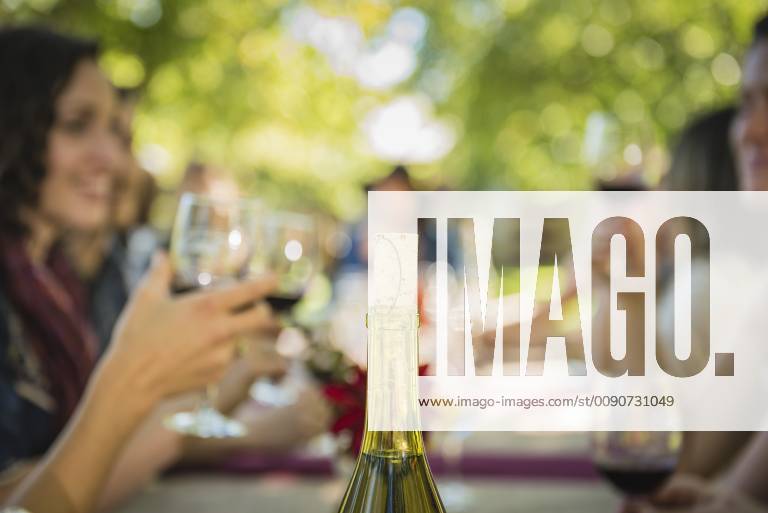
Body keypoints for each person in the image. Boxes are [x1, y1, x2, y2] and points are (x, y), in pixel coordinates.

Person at [0, 24, 279, 510]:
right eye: (76, 124)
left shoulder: (60, 282)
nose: (114, 158)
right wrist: (136, 381)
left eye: (116, 132)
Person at [631, 13, 768, 513]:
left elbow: (660, 448)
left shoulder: (714, 283)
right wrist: (726, 499)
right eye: (747, 103)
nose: (751, 129)